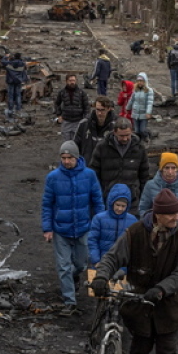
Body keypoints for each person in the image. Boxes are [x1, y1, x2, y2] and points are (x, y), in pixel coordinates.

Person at [91, 188, 178, 354]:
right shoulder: (135, 233)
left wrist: (162, 289)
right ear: (157, 214)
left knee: (168, 352)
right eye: (171, 214)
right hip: (138, 303)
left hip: (168, 305)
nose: (176, 218)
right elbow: (112, 257)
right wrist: (101, 276)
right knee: (140, 345)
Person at [41, 140, 105, 312]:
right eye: (63, 157)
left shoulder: (89, 175)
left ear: (77, 157)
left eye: (70, 157)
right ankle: (69, 301)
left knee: (80, 264)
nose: (66, 161)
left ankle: (74, 276)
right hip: (61, 229)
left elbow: (97, 201)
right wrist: (47, 228)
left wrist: (100, 224)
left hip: (83, 228)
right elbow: (47, 204)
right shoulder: (53, 178)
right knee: (63, 266)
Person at [90, 117, 150, 203]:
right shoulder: (102, 147)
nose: (125, 139)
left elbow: (144, 175)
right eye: (121, 136)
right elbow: (94, 172)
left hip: (132, 199)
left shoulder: (139, 148)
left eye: (127, 135)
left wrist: (142, 197)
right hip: (108, 198)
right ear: (114, 132)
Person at [139, 152, 178, 235]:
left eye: (173, 168)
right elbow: (143, 209)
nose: (170, 171)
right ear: (161, 169)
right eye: (167, 168)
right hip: (155, 233)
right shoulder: (150, 186)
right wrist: (150, 227)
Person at [88, 183, 138, 267]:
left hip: (123, 265)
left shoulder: (133, 221)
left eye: (123, 206)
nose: (120, 209)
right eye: (117, 205)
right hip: (102, 264)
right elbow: (92, 240)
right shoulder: (99, 219)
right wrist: (96, 260)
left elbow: (135, 244)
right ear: (111, 203)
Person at [75, 96, 117, 162]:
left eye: (102, 110)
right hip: (87, 164)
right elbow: (75, 144)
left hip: (107, 166)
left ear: (109, 109)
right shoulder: (84, 124)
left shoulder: (116, 126)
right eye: (98, 109)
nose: (100, 113)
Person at [54, 74, 89, 141]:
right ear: (66, 81)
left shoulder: (82, 93)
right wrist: (59, 115)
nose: (72, 82)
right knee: (66, 143)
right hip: (66, 121)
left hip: (78, 121)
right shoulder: (62, 93)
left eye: (73, 80)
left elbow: (86, 107)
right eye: (70, 80)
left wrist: (85, 119)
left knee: (76, 143)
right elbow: (57, 104)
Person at [1, 52, 29, 120]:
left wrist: (6, 57)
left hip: (11, 81)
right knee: (18, 95)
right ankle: (18, 108)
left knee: (10, 95)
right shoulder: (22, 64)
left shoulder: (10, 63)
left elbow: (2, 62)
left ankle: (10, 109)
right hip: (18, 81)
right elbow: (25, 69)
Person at [127, 73, 155, 141]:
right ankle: (138, 141)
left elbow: (150, 103)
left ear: (145, 81)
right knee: (137, 131)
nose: (140, 82)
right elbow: (131, 99)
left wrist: (148, 112)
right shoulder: (135, 90)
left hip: (144, 114)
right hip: (135, 113)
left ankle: (146, 136)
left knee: (142, 130)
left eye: (141, 81)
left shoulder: (149, 91)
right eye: (138, 81)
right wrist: (128, 107)